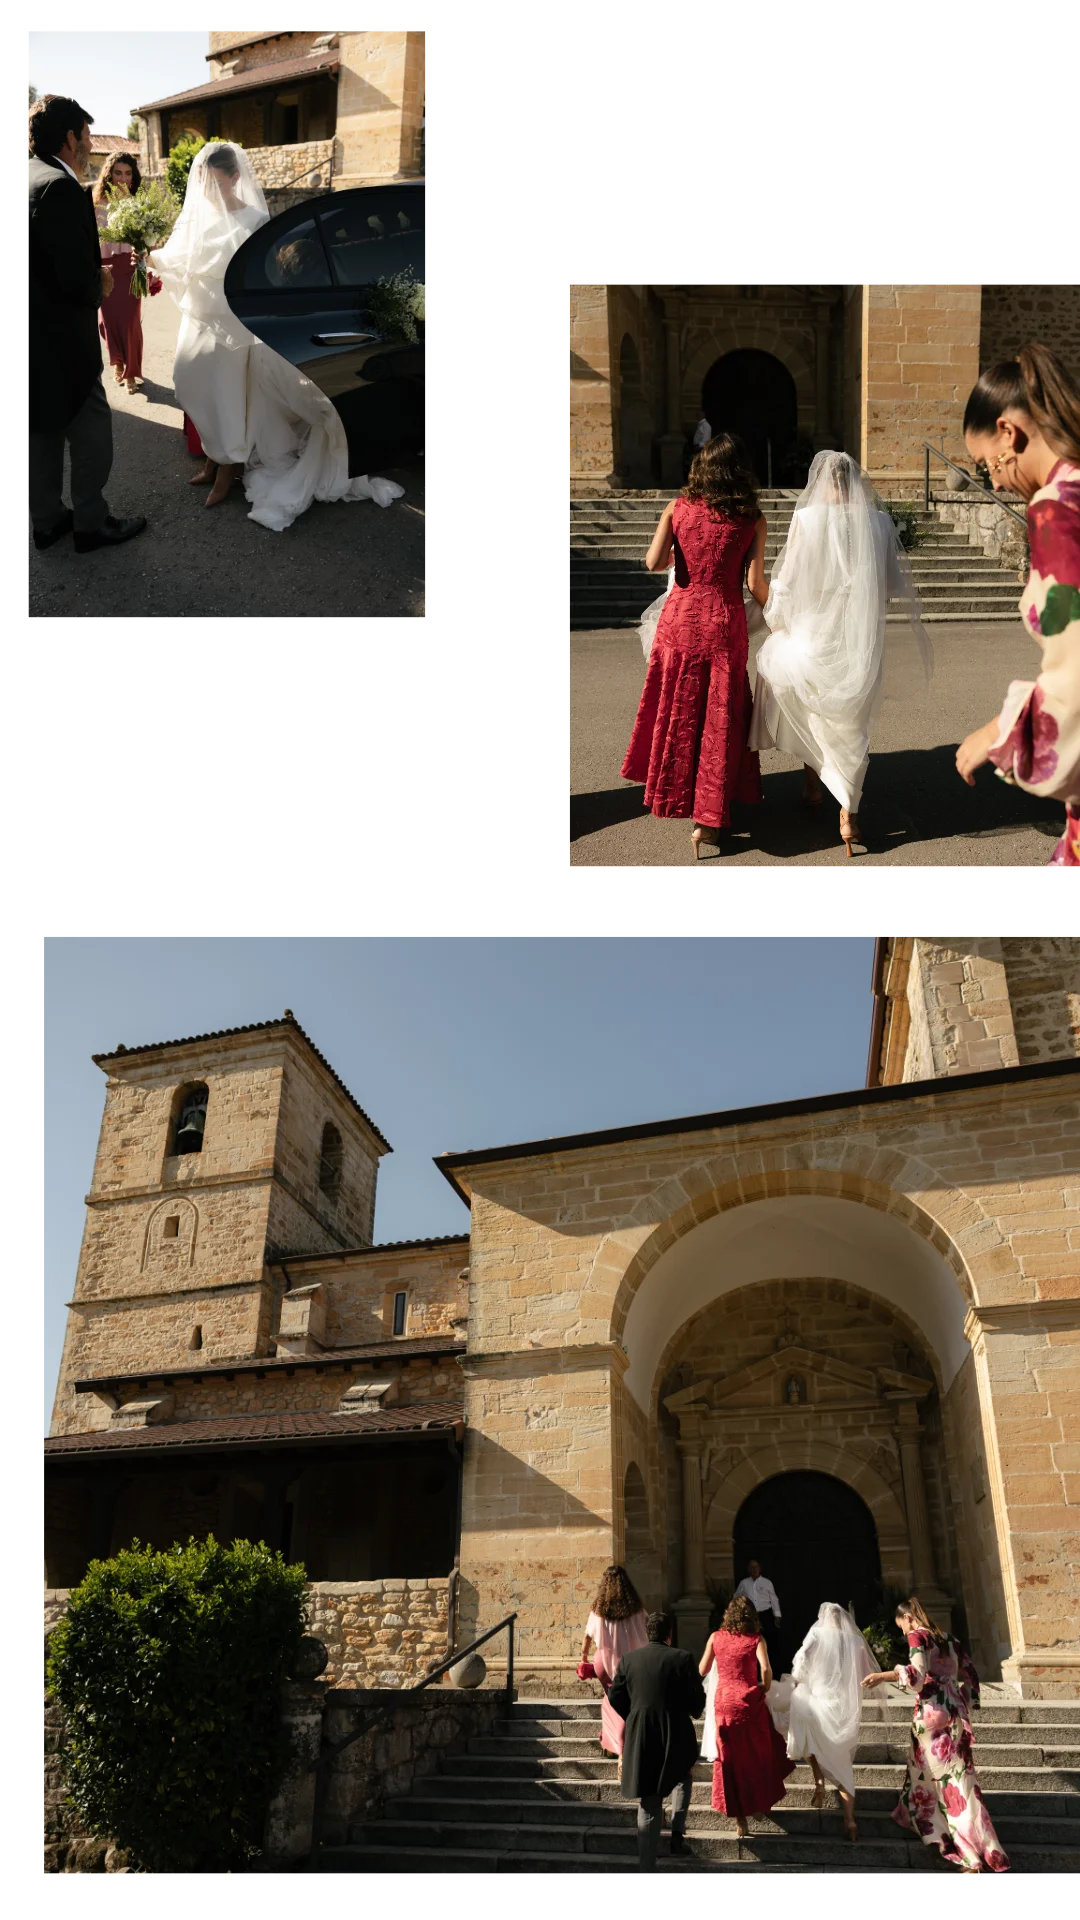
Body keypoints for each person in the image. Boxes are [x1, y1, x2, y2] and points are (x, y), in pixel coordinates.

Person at [147, 145, 404, 529]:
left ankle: (224, 470)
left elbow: (261, 270)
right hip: (200, 317)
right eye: (202, 180)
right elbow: (178, 257)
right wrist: (150, 256)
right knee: (192, 383)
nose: (207, 188)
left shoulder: (254, 218)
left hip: (234, 321)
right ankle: (213, 456)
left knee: (228, 394)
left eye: (214, 181)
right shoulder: (196, 217)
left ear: (234, 178)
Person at [749, 449, 933, 855]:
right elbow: (888, 586)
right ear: (852, 480)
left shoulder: (808, 518)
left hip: (816, 628)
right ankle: (847, 812)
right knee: (852, 715)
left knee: (813, 704)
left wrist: (774, 613)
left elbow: (791, 577)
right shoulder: (880, 522)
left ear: (825, 482)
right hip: (857, 635)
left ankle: (813, 785)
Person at [955, 344, 1080, 871]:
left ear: (1009, 433)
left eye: (986, 465)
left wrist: (1000, 733)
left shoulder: (1056, 508)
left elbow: (1076, 666)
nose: (995, 481)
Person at [621, 431, 767, 860]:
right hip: (724, 623)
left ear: (701, 467)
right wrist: (787, 616)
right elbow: (755, 585)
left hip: (680, 620)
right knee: (719, 717)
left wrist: (677, 555)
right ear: (740, 470)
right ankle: (709, 821)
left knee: (681, 709)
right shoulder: (751, 518)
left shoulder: (677, 508)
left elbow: (653, 563)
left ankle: (676, 798)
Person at [24, 94, 147, 553]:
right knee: (91, 426)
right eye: (88, 134)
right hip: (62, 340)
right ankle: (91, 523)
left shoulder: (26, 175)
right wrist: (101, 281)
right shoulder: (61, 187)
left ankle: (48, 522)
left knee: (39, 427)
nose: (91, 143)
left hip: (30, 337)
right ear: (71, 136)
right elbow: (75, 279)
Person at [861, 1595, 1009, 1876]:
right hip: (955, 1713)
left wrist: (883, 1675)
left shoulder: (918, 1637)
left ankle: (958, 1845)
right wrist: (966, 1699)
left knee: (932, 1775)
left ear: (907, 1618)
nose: (904, 1633)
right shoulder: (949, 1639)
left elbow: (916, 1677)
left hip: (930, 1713)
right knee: (959, 1779)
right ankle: (982, 1842)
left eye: (901, 1627)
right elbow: (971, 1672)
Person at [607, 1608, 705, 1878]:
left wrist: (636, 1711)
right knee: (683, 1775)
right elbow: (696, 1699)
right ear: (670, 1634)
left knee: (649, 1799)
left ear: (647, 1633)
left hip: (643, 1734)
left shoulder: (629, 1660)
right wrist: (686, 1709)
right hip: (676, 1732)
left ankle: (646, 1870)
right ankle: (676, 1835)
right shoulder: (683, 1658)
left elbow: (615, 1695)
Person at [700, 1591, 794, 1840]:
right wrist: (764, 1687)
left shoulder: (715, 1637)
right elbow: (766, 1669)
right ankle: (759, 1803)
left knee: (730, 1759)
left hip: (723, 1703)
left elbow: (702, 1668)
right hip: (748, 1701)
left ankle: (740, 1819)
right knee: (758, 1754)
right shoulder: (756, 1639)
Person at [785, 1601, 879, 1843]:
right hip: (843, 1710)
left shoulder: (816, 1632)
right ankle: (850, 1820)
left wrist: (799, 1679)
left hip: (819, 1702)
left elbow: (802, 1657)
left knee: (804, 1723)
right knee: (843, 1764)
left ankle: (818, 1780)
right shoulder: (856, 1642)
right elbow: (865, 1674)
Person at [91, 152, 160, 395]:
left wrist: (146, 260)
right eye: (118, 173)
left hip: (131, 267)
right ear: (109, 174)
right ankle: (117, 361)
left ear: (134, 175)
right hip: (106, 267)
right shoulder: (97, 202)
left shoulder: (139, 201)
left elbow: (150, 238)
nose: (123, 179)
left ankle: (131, 372)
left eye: (128, 173)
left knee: (131, 321)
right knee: (107, 321)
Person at [580, 1564, 649, 1768]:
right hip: (631, 1664)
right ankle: (623, 1745)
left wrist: (583, 1658)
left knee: (610, 1702)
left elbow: (587, 1636)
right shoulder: (636, 1609)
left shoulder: (598, 1609)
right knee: (627, 1703)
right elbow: (648, 1632)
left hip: (604, 1663)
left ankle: (613, 1744)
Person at [734, 1558, 782, 1666]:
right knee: (751, 1643)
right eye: (752, 1567)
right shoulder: (744, 1583)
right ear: (748, 1570)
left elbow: (774, 1599)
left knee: (768, 1642)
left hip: (765, 1615)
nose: (754, 1569)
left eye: (756, 1567)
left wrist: (777, 1615)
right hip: (750, 1617)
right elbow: (736, 1597)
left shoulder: (767, 1582)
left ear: (759, 1569)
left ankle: (770, 1669)